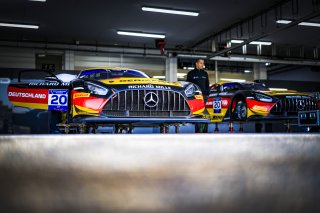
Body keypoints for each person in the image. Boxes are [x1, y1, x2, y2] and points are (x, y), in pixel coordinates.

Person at [186, 58, 210, 133]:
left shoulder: (205, 73)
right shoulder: (191, 73)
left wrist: (207, 94)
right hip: (195, 97)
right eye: (200, 63)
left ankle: (205, 131)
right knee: (198, 114)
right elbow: (188, 85)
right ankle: (198, 131)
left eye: (203, 63)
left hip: (204, 97)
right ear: (196, 63)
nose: (202, 65)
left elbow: (207, 85)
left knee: (205, 114)